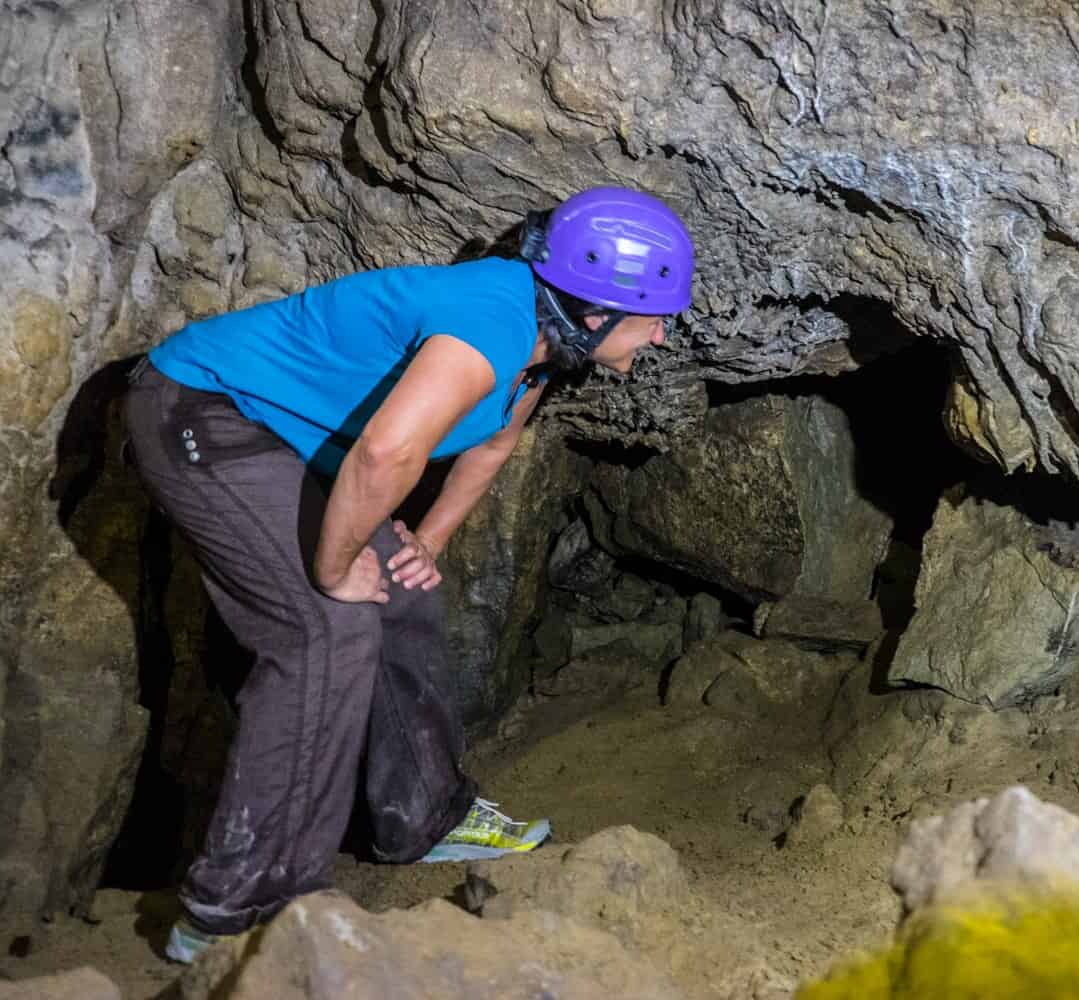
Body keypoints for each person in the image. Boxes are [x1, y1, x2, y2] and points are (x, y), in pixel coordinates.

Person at [122, 186, 694, 963]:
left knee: (401, 588)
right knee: (326, 627)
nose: (662, 336)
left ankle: (425, 815)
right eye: (655, 317)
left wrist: (424, 541)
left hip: (282, 439)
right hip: (202, 411)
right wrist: (333, 568)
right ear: (594, 311)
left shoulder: (540, 351)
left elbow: (489, 447)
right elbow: (388, 453)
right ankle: (238, 911)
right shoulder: (492, 321)